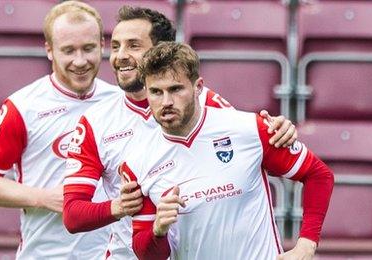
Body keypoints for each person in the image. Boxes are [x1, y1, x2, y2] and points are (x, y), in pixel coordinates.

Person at [62, 6, 298, 259]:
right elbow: (73, 216)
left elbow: (247, 157)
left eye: (133, 45)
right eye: (116, 46)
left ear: (161, 51)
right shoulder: (95, 122)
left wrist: (280, 131)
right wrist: (119, 207)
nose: (121, 56)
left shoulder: (205, 103)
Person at [124, 42, 334, 260]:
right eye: (156, 92)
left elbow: (319, 175)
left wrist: (306, 245)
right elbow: (147, 255)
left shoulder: (249, 129)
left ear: (198, 87)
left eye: (176, 89)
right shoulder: (139, 160)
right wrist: (158, 230)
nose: (166, 101)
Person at [0, 1, 117, 259]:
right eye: (68, 50)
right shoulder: (23, 106)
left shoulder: (120, 103)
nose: (80, 61)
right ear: (49, 50)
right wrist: (43, 198)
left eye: (89, 48)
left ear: (102, 46)